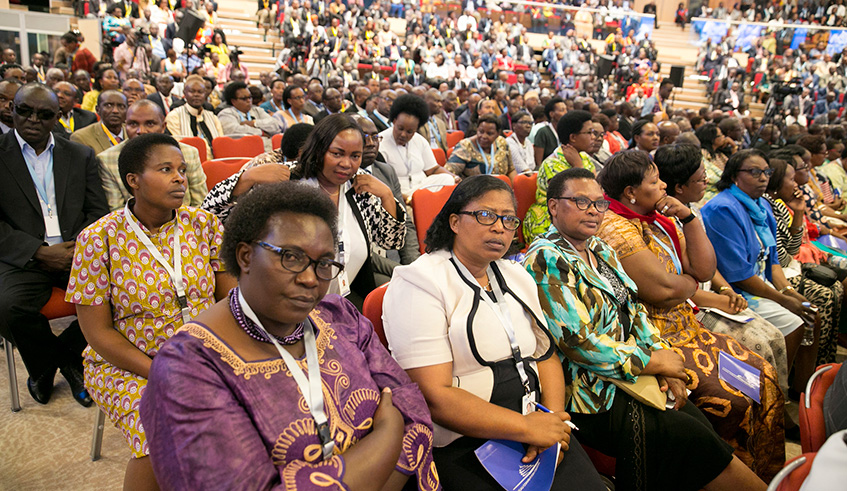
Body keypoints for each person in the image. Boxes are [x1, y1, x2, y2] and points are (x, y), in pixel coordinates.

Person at [141, 181, 438, 489]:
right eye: (291, 257)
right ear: (244, 256)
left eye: (324, 263)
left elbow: (411, 406)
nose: (310, 279)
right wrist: (387, 436)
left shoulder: (339, 315)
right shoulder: (188, 367)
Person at [524, 168, 767, 491]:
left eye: (599, 204)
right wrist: (653, 364)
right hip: (590, 390)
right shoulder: (546, 258)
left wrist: (662, 358)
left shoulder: (599, 249)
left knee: (697, 422)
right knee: (685, 434)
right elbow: (578, 342)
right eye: (581, 202)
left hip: (631, 372)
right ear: (554, 206)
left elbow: (634, 310)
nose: (593, 211)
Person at [383, 175, 606, 490]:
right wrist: (525, 428)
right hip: (466, 440)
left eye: (508, 219)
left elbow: (545, 356)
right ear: (455, 221)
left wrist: (554, 422)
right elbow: (435, 396)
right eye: (486, 216)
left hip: (535, 423)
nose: (500, 227)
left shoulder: (515, 274)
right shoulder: (419, 282)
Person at [596, 150, 786, 481]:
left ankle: (763, 478)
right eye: (655, 182)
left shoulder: (661, 219)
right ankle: (719, 480)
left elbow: (702, 269)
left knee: (762, 374)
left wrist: (689, 218)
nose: (665, 185)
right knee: (734, 400)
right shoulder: (615, 227)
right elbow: (663, 291)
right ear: (630, 193)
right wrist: (688, 283)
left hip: (690, 328)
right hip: (659, 339)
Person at [67, 132, 231, 490]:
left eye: (182, 170)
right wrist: (161, 370)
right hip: (129, 364)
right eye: (165, 169)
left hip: (203, 354)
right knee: (162, 432)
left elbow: (229, 300)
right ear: (133, 181)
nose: (179, 178)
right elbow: (98, 334)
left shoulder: (203, 226)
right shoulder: (98, 239)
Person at [0, 83, 108, 407]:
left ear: (58, 117)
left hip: (76, 252)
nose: (33, 119)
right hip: (24, 256)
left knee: (124, 291)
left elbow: (98, 211)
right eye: (24, 111)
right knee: (7, 306)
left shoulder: (79, 154)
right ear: (12, 110)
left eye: (44, 114)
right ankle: (59, 365)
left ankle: (58, 361)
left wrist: (77, 248)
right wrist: (37, 251)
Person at [655, 144, 790, 392]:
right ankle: (762, 406)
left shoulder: (690, 211)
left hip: (710, 297)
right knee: (758, 346)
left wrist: (726, 290)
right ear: (679, 188)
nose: (707, 181)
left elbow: (708, 267)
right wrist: (719, 300)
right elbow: (681, 284)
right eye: (700, 178)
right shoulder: (666, 222)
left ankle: (781, 403)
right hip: (690, 309)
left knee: (774, 337)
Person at [701, 150, 817, 395]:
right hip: (741, 289)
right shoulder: (723, 208)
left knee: (810, 312)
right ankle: (779, 397)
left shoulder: (761, 204)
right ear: (734, 176)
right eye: (755, 172)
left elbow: (773, 258)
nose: (763, 177)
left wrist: (787, 291)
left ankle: (804, 392)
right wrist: (782, 299)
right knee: (794, 323)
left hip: (762, 282)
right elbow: (738, 274)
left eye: (767, 172)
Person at [291, 114, 406, 303]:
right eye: (337, 154)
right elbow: (225, 209)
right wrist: (247, 180)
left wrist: (386, 195)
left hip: (346, 298)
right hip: (293, 300)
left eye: (355, 156)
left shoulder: (359, 187)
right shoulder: (290, 181)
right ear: (319, 150)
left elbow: (390, 241)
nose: (346, 164)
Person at [764, 156, 844, 367]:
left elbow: (791, 247)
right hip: (777, 272)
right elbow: (782, 256)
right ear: (778, 180)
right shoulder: (767, 206)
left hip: (792, 262)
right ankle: (808, 371)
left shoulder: (820, 178)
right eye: (796, 173)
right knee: (825, 297)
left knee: (836, 289)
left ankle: (825, 361)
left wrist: (799, 212)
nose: (799, 180)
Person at [97, 99, 207, 211]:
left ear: (163, 126)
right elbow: (117, 211)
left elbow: (201, 204)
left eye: (150, 123)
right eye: (133, 124)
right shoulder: (107, 159)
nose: (141, 131)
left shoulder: (188, 153)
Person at [523, 110, 596, 244]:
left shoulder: (585, 157)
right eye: (589, 132)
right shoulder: (552, 163)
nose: (594, 137)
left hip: (580, 214)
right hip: (549, 220)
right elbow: (572, 199)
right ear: (573, 137)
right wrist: (578, 166)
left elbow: (597, 192)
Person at [378, 94, 455, 200]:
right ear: (394, 121)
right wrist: (407, 200)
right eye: (400, 128)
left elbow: (433, 169)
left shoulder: (420, 140)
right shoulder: (380, 142)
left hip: (422, 188)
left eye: (410, 131)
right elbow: (382, 184)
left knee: (447, 179)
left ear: (416, 129)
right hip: (398, 193)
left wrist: (454, 177)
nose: (403, 134)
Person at [164, 74, 224, 159]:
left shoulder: (212, 117)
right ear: (184, 93)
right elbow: (176, 147)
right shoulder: (174, 116)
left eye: (200, 92)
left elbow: (220, 144)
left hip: (214, 165)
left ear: (205, 94)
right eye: (192, 91)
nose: (196, 95)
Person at [446, 115, 516, 181]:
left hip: (500, 189)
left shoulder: (502, 143)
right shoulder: (465, 146)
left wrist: (513, 190)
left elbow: (511, 170)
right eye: (481, 132)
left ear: (497, 134)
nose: (484, 136)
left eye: (489, 133)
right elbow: (448, 172)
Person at [218, 81, 284, 152]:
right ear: (233, 101)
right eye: (244, 99)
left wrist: (254, 123)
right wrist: (261, 132)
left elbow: (275, 125)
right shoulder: (226, 113)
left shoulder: (257, 110)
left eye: (250, 98)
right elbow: (234, 131)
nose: (249, 101)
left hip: (267, 151)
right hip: (243, 152)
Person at [70, 90, 128, 155]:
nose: (115, 111)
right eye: (108, 105)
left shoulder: (134, 134)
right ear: (98, 109)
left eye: (121, 106)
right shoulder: (81, 138)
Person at [697, 123, 731, 204]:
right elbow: (712, 178)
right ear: (712, 139)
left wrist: (733, 148)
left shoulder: (719, 154)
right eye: (721, 135)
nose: (724, 137)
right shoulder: (704, 155)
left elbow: (732, 168)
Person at [533, 97, 566, 167]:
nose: (566, 113)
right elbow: (538, 163)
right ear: (551, 114)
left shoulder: (567, 132)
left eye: (566, 109)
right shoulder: (543, 132)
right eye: (562, 110)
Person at [507, 110, 536, 174]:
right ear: (514, 125)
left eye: (530, 123)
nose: (528, 126)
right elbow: (522, 169)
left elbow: (532, 166)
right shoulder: (509, 143)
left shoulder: (528, 142)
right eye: (524, 122)